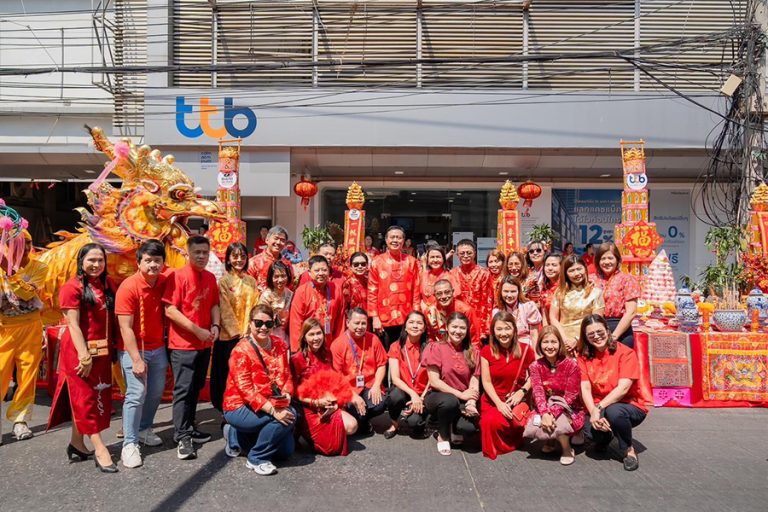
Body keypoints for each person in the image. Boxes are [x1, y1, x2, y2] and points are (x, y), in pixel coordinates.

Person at [48, 243, 118, 472]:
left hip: (102, 352)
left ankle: (76, 444)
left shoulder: (108, 284)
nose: (96, 264)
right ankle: (100, 448)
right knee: (85, 399)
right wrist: (84, 356)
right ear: (81, 261)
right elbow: (73, 325)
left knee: (95, 396)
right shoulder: (72, 287)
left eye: (100, 260)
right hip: (80, 353)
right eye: (91, 260)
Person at [163, 235, 220, 460]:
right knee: (183, 390)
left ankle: (190, 426)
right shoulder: (177, 276)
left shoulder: (210, 277)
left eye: (205, 252)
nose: (201, 256)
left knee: (195, 388)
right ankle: (182, 435)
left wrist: (215, 325)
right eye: (197, 252)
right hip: (183, 345)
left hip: (204, 342)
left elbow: (214, 304)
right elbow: (170, 310)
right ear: (188, 252)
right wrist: (197, 330)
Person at [222, 304, 296, 476]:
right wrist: (274, 411)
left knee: (285, 452)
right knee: (289, 416)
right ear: (250, 324)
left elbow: (287, 375)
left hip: (271, 401)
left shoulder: (279, 344)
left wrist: (287, 394)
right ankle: (256, 458)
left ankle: (235, 436)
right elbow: (246, 390)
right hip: (240, 406)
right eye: (258, 323)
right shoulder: (240, 351)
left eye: (268, 324)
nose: (263, 327)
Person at [115, 240, 169, 468]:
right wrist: (136, 359)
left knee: (156, 392)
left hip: (158, 347)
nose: (153, 265)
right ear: (138, 263)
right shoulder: (129, 287)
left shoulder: (164, 281)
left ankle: (144, 428)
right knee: (136, 394)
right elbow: (125, 327)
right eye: (148, 260)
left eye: (157, 260)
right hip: (134, 349)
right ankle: (129, 443)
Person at [578, 315, 651, 472]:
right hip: (598, 405)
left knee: (614, 412)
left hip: (627, 404)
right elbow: (585, 388)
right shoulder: (583, 356)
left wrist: (598, 409)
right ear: (585, 337)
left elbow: (623, 389)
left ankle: (628, 450)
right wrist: (593, 412)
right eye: (591, 334)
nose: (597, 336)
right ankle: (605, 438)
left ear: (607, 330)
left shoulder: (626, 353)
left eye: (600, 332)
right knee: (589, 430)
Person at [0, 229, 46, 442]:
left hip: (30, 328)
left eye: (28, 242)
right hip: (4, 329)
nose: (26, 247)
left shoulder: (39, 267)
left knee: (27, 376)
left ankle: (20, 421)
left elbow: (27, 293)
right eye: (18, 243)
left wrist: (9, 272)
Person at [291, 318, 357, 456]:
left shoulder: (327, 354)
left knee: (352, 426)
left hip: (326, 406)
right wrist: (315, 402)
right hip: (307, 407)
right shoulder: (297, 359)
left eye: (318, 333)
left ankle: (309, 434)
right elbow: (293, 393)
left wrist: (335, 400)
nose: (316, 338)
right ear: (304, 337)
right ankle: (300, 429)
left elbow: (332, 381)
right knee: (330, 449)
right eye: (311, 334)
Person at [479, 311, 535, 460]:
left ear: (514, 330)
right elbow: (486, 382)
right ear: (493, 331)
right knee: (490, 422)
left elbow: (535, 375)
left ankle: (515, 438)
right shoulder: (486, 351)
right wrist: (499, 404)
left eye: (507, 328)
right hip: (493, 400)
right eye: (499, 329)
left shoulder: (525, 350)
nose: (503, 333)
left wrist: (522, 392)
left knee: (513, 422)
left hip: (515, 400)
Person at [331, 308, 396, 437]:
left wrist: (376, 385)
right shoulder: (338, 344)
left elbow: (381, 365)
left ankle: (362, 420)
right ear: (348, 322)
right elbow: (337, 377)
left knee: (380, 403)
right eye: (356, 323)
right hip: (348, 388)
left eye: (363, 323)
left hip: (369, 385)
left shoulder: (373, 339)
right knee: (354, 410)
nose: (360, 327)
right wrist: (352, 396)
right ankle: (358, 421)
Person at [423, 312, 480, 456]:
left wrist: (471, 402)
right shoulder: (435, 347)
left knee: (468, 429)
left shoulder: (473, 351)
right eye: (454, 327)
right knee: (449, 402)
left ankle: (453, 426)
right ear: (447, 327)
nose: (458, 331)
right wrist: (461, 395)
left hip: (462, 398)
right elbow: (434, 381)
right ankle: (443, 435)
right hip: (439, 396)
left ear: (467, 330)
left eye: (462, 328)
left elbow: (475, 380)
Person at [213, 243, 259, 414]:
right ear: (228, 259)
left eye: (243, 256)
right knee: (227, 377)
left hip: (248, 338)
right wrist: (238, 334)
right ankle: (227, 412)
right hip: (228, 339)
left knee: (245, 376)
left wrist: (249, 332)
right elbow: (224, 310)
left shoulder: (251, 281)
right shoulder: (223, 282)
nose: (239, 260)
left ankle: (244, 409)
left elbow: (255, 306)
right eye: (235, 256)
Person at [528, 326, 584, 465]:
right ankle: (551, 439)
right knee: (534, 421)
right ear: (539, 344)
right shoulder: (535, 366)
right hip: (546, 406)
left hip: (570, 407)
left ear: (560, 343)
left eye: (553, 342)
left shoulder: (571, 365)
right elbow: (538, 392)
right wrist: (545, 413)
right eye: (545, 342)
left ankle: (567, 449)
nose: (549, 346)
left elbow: (571, 396)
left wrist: (551, 414)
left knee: (560, 421)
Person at [368, 226, 420, 349]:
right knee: (385, 354)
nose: (395, 240)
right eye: (392, 237)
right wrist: (375, 317)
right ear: (386, 240)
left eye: (398, 237)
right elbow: (372, 290)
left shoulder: (412, 261)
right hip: (384, 318)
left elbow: (416, 290)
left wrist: (416, 316)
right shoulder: (377, 261)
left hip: (406, 318)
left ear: (403, 241)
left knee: (405, 352)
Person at [289, 255, 346, 352]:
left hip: (330, 344)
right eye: (317, 270)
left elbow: (340, 320)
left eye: (324, 270)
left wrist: (339, 346)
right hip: (308, 344)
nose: (321, 273)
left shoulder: (336, 289)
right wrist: (298, 349)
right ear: (309, 273)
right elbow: (296, 322)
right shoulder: (302, 292)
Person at [387, 311, 430, 437]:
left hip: (424, 392)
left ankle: (423, 418)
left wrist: (420, 398)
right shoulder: (396, 346)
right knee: (394, 396)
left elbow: (432, 380)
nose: (415, 326)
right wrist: (413, 394)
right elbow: (395, 378)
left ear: (424, 328)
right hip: (405, 390)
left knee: (415, 423)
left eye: (419, 323)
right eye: (411, 322)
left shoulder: (431, 347)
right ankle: (394, 423)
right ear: (405, 327)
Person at [550, 255, 604, 354]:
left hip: (587, 340)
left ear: (585, 269)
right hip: (564, 341)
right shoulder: (560, 292)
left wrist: (577, 339)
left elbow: (596, 321)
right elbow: (553, 317)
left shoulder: (595, 293)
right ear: (565, 273)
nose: (577, 273)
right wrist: (565, 341)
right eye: (571, 270)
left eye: (579, 269)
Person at [590, 243, 640, 348]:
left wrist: (613, 336)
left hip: (620, 330)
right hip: (595, 331)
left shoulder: (627, 280)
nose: (606, 262)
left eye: (610, 258)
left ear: (617, 259)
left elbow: (631, 312)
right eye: (603, 258)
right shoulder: (591, 279)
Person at [449, 239, 493, 340]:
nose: (465, 256)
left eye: (469, 253)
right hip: (458, 322)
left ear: (475, 253)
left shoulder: (484, 273)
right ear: (457, 254)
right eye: (462, 253)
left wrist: (485, 329)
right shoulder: (452, 273)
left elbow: (487, 302)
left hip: (477, 322)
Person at [424, 279, 481, 347]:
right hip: (438, 349)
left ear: (453, 292)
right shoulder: (429, 311)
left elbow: (474, 340)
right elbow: (430, 337)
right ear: (434, 295)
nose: (444, 296)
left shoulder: (466, 311)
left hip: (462, 349)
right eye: (439, 293)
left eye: (447, 292)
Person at [493, 276, 542, 347]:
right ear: (501, 292)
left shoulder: (529, 306)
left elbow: (534, 335)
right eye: (506, 291)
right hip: (505, 346)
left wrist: (535, 353)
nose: (509, 295)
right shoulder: (497, 311)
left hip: (526, 346)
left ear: (519, 292)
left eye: (513, 291)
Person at [258, 261, 293, 343]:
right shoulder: (266, 296)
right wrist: (279, 319)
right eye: (276, 276)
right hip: (270, 336)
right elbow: (262, 320)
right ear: (271, 278)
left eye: (283, 276)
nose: (280, 280)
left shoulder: (290, 294)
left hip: (287, 336)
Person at [247, 226, 291, 292]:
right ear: (267, 240)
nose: (278, 242)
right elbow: (247, 289)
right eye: (276, 238)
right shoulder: (253, 263)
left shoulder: (287, 264)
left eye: (282, 240)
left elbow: (290, 286)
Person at [540, 253, 563, 326]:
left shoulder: (565, 286)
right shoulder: (544, 286)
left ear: (562, 267)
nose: (550, 268)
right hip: (551, 328)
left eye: (554, 265)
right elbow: (544, 314)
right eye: (547, 265)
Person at [524, 241, 546, 307]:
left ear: (544, 252)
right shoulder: (527, 272)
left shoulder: (548, 270)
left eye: (538, 250)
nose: (535, 253)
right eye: (531, 251)